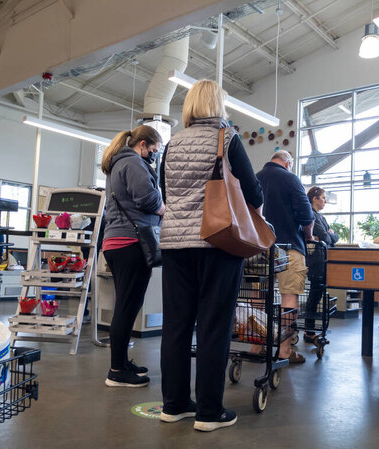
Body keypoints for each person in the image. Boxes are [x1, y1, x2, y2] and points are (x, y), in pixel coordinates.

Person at [159, 80, 263, 431]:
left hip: (174, 246)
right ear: (218, 104)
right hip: (217, 242)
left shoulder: (172, 144)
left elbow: (165, 193)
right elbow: (253, 191)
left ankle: (173, 405)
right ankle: (208, 412)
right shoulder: (227, 138)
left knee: (175, 326)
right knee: (213, 327)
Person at [101, 125, 164, 388]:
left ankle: (122, 362)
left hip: (115, 242)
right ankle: (116, 371)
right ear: (143, 144)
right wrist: (166, 210)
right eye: (154, 150)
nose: (155, 155)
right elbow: (147, 199)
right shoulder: (134, 164)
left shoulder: (117, 165)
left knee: (126, 305)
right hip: (131, 242)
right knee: (127, 307)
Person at [256, 150, 314, 363]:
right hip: (288, 247)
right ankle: (284, 350)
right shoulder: (291, 179)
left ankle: (257, 345)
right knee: (289, 297)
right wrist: (308, 236)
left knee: (258, 299)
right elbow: (307, 216)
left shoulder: (253, 177)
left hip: (259, 248)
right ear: (288, 163)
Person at [303, 186, 338, 344]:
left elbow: (333, 237)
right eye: (323, 197)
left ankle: (310, 331)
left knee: (316, 295)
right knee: (314, 296)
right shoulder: (311, 215)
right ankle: (309, 332)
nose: (325, 201)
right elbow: (326, 236)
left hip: (323, 259)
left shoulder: (320, 217)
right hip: (317, 261)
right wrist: (328, 234)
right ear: (315, 198)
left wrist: (329, 235)